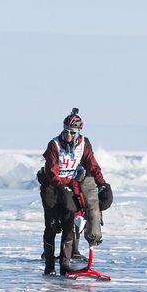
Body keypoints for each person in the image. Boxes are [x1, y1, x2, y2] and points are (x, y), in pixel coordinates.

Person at [39, 108, 110, 276]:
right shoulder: (54, 144)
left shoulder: (83, 144)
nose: (68, 135)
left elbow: (92, 165)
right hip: (51, 186)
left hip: (68, 187)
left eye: (72, 132)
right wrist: (64, 184)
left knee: (69, 224)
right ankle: (49, 266)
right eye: (66, 131)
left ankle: (65, 264)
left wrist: (103, 184)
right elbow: (51, 172)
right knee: (51, 226)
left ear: (78, 132)